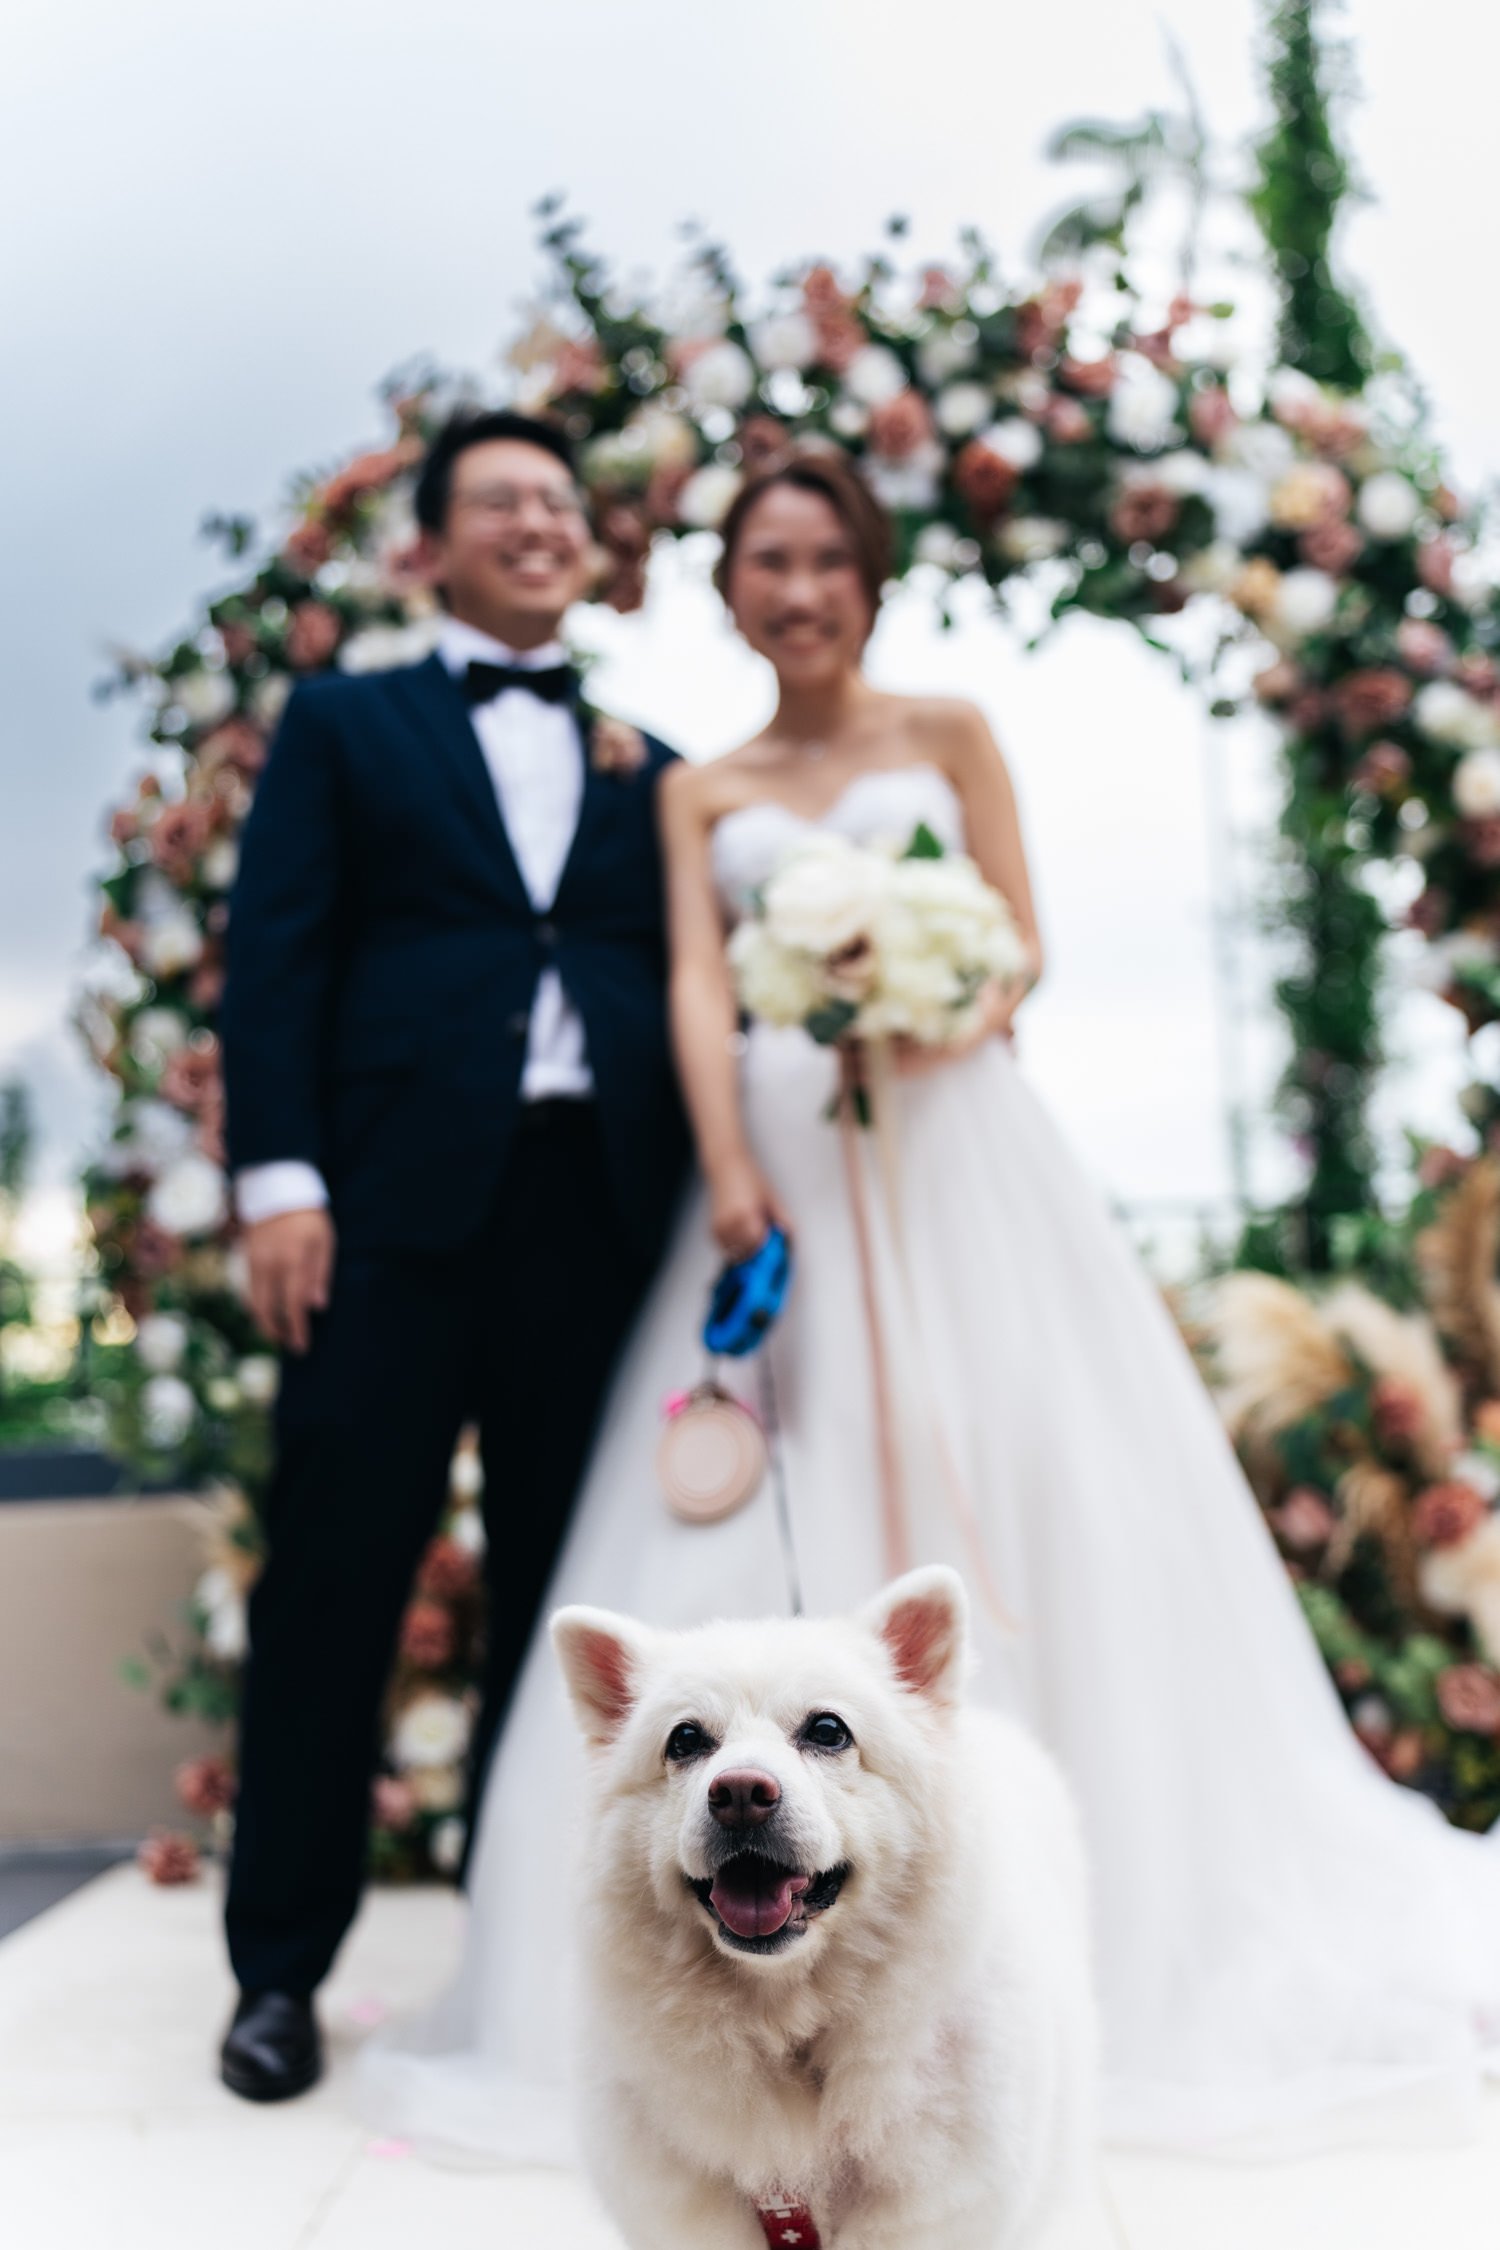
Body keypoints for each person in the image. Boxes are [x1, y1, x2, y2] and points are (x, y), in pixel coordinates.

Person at [362, 452, 1500, 2161]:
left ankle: (1032, 1935)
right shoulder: (700, 787)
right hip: (778, 1172)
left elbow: (1022, 942)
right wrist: (735, 1167)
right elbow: (690, 976)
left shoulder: (951, 729)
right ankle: (714, 1947)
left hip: (957, 1139)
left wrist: (923, 997)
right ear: (729, 588)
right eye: (765, 560)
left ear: (870, 579)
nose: (797, 588)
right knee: (768, 1481)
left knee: (1024, 1470)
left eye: (826, 558)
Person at [216, 409, 689, 2102]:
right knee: (336, 1590)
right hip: (385, 1226)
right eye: (504, 500)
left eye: (562, 502)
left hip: (599, 1227)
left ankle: (524, 1974)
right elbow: (274, 955)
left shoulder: (653, 758)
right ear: (431, 542)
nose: (540, 523)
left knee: (573, 1616)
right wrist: (279, 1180)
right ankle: (277, 1975)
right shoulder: (348, 723)